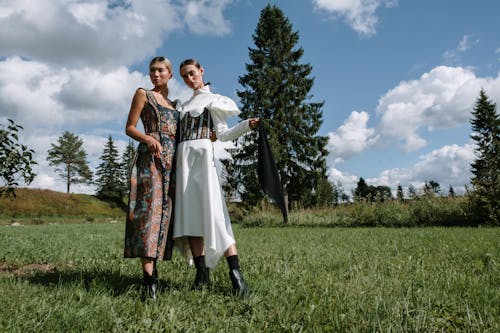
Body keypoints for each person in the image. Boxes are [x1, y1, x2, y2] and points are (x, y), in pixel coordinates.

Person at [173, 59, 259, 296]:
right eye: (184, 76)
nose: (189, 79)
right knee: (190, 217)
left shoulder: (213, 100)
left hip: (203, 162)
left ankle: (236, 275)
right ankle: (201, 274)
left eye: (192, 73)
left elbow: (223, 135)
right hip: (183, 163)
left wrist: (246, 126)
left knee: (217, 216)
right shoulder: (183, 105)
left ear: (201, 71)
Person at [124, 56, 179, 300]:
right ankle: (149, 281)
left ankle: (156, 272)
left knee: (165, 218)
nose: (155, 75)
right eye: (152, 71)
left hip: (172, 162)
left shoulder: (174, 104)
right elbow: (129, 127)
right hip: (151, 160)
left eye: (161, 70)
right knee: (149, 216)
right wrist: (148, 138)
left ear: (169, 73)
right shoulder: (143, 94)